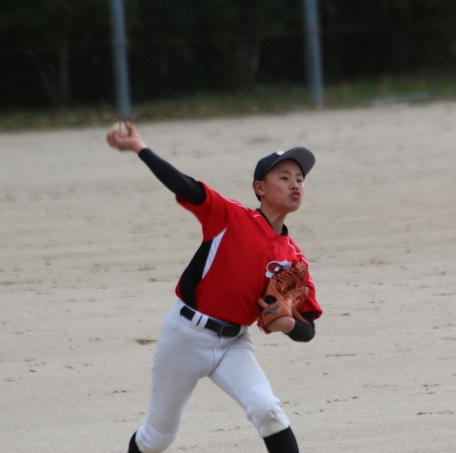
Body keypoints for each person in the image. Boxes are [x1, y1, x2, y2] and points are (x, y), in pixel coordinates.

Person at [106, 122, 323, 453]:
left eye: (300, 179)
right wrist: (140, 148)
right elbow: (183, 185)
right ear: (260, 188)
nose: (295, 184)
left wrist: (289, 324)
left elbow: (308, 329)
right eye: (284, 177)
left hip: (233, 344)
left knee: (268, 410)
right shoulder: (229, 216)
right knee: (157, 438)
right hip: (183, 336)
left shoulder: (294, 259)